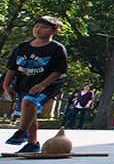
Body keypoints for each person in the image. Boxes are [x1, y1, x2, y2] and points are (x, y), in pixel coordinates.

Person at [3, 16, 68, 154]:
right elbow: (12, 67)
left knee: (29, 101)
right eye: (36, 26)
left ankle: (22, 132)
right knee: (28, 111)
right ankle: (32, 143)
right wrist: (6, 85)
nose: (38, 30)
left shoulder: (56, 48)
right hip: (25, 83)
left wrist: (43, 85)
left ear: (55, 31)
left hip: (48, 84)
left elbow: (59, 70)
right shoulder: (22, 47)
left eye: (44, 27)